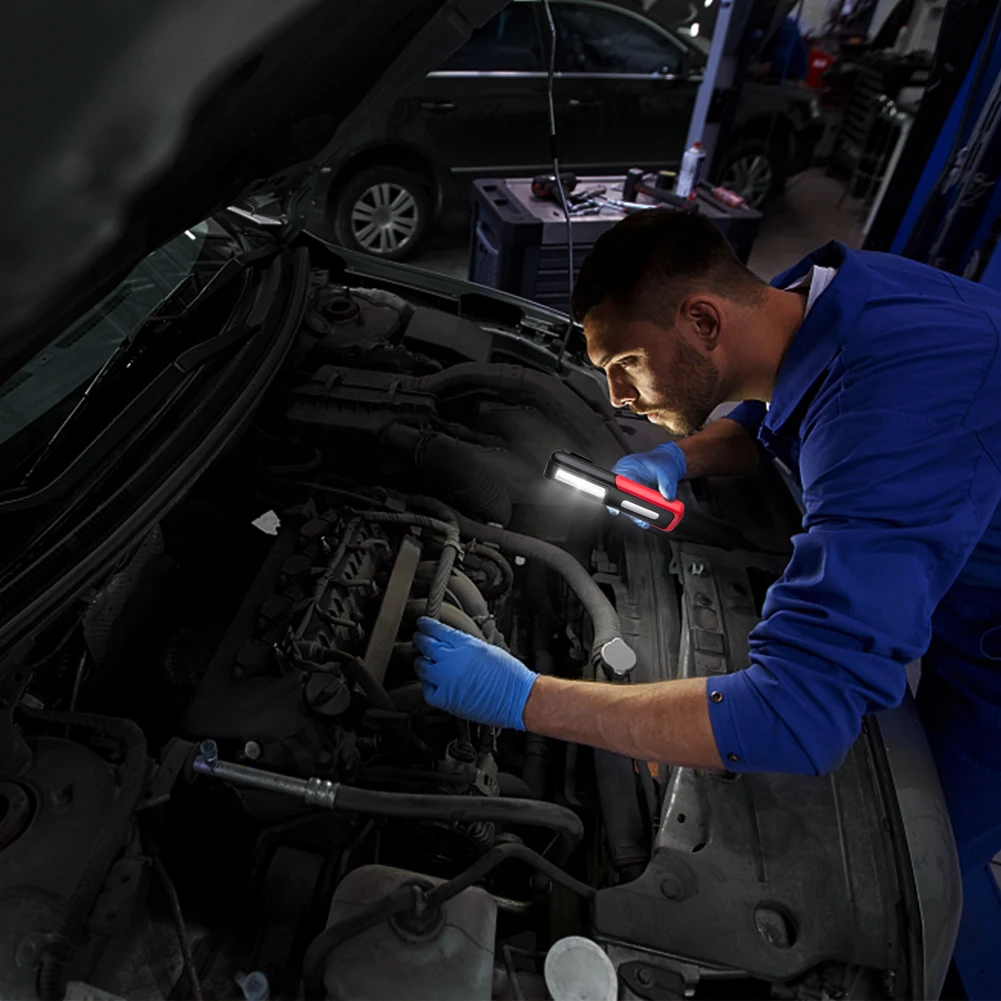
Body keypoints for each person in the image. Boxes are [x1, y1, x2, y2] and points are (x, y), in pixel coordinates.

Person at [412, 209, 1001, 998]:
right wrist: (678, 457)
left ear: (701, 320)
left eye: (626, 363)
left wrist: (523, 698)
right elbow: (774, 411)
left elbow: (797, 716)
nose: (617, 397)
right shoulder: (824, 301)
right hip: (969, 559)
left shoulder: (890, 422)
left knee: (920, 883)